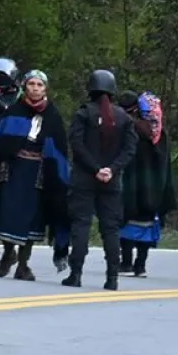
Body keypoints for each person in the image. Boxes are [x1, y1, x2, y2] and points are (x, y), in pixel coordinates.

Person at [0, 70, 70, 281]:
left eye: (40, 85)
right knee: (10, 213)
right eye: (31, 84)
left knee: (33, 218)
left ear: (45, 89)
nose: (35, 88)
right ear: (25, 86)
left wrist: (58, 180)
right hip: (14, 170)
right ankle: (7, 254)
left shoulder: (52, 115)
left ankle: (23, 264)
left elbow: (59, 150)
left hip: (40, 173)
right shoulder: (14, 111)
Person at [63, 69, 138, 290]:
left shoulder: (83, 114)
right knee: (111, 229)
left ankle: (75, 274)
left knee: (81, 224)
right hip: (111, 181)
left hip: (84, 178)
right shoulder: (124, 118)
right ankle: (112, 278)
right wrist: (111, 169)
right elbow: (130, 148)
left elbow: (76, 144)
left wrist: (95, 168)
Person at [118, 91, 177, 277]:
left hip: (133, 186)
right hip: (155, 189)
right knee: (147, 225)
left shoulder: (131, 129)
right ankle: (140, 265)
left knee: (126, 222)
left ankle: (126, 262)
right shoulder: (160, 134)